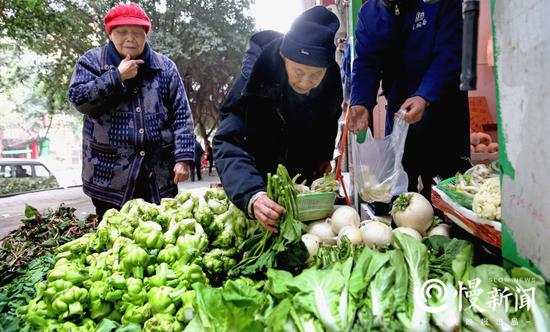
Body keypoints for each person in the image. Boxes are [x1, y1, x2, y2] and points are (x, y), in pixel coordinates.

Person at [213, 6, 343, 233]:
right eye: (299, 71)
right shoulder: (253, 79)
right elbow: (228, 141)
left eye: (316, 75)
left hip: (302, 186)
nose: (305, 82)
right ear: (283, 56)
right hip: (261, 183)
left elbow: (328, 118)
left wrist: (323, 155)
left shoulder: (330, 78)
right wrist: (252, 195)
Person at [68, 2, 195, 218]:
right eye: (122, 32)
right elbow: (79, 99)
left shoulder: (165, 68)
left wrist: (183, 158)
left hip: (157, 175)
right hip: (108, 175)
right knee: (113, 238)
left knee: (158, 234)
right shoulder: (91, 61)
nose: (130, 38)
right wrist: (116, 77)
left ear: (146, 34)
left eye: (137, 32)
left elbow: (181, 115)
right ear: (110, 34)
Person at [349, 0, 470, 199]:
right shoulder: (370, 13)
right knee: (401, 198)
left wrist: (425, 95)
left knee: (450, 197)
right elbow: (365, 62)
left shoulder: (439, 3)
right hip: (400, 116)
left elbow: (451, 51)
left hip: (443, 112)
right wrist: (360, 101)